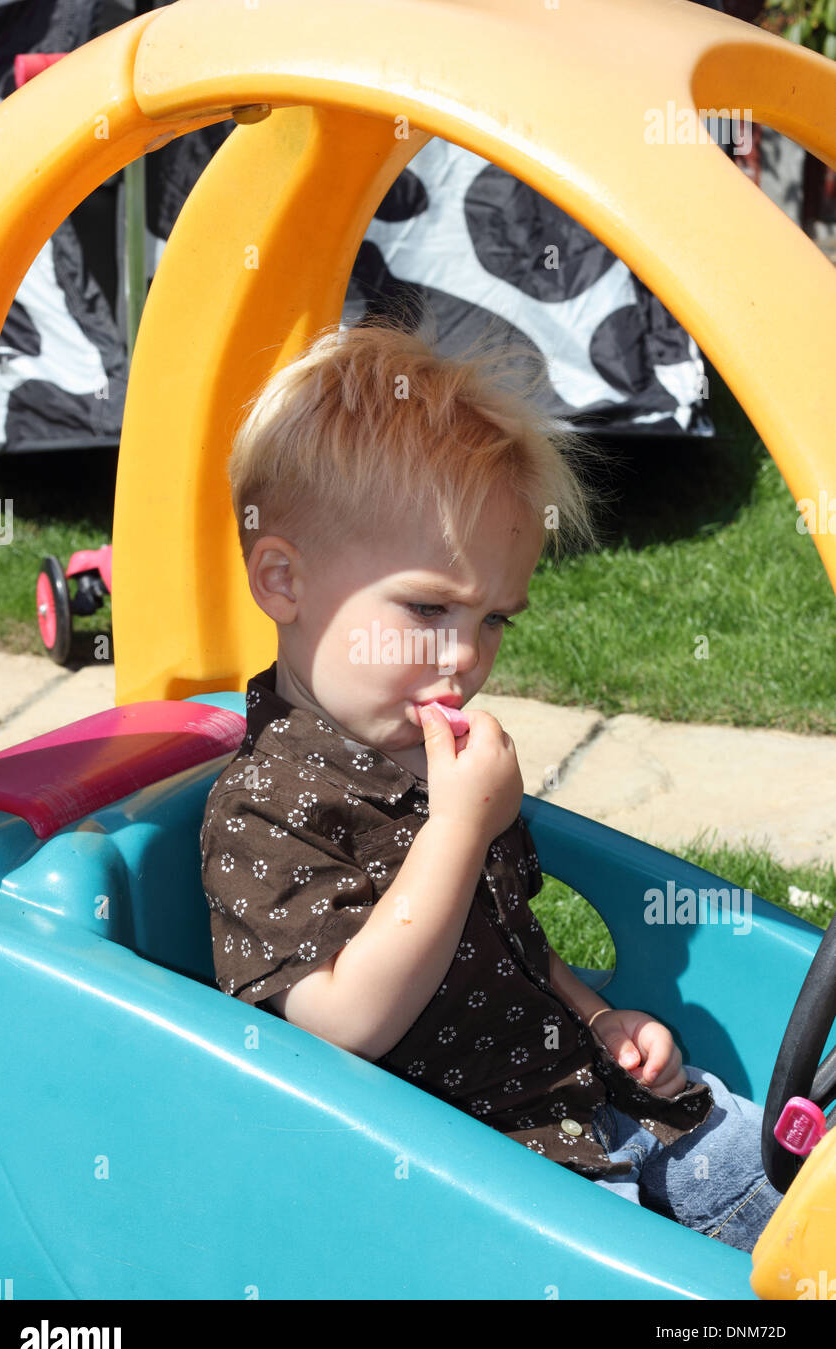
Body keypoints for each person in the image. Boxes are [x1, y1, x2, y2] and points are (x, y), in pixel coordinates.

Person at [200, 315, 782, 1254]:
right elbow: (340, 1023)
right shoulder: (264, 808)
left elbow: (506, 936)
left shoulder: (437, 764)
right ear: (282, 580)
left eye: (495, 618)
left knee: (785, 1172)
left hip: (588, 1108)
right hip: (474, 1194)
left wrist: (600, 1017)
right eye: (428, 608)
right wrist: (460, 831)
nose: (467, 658)